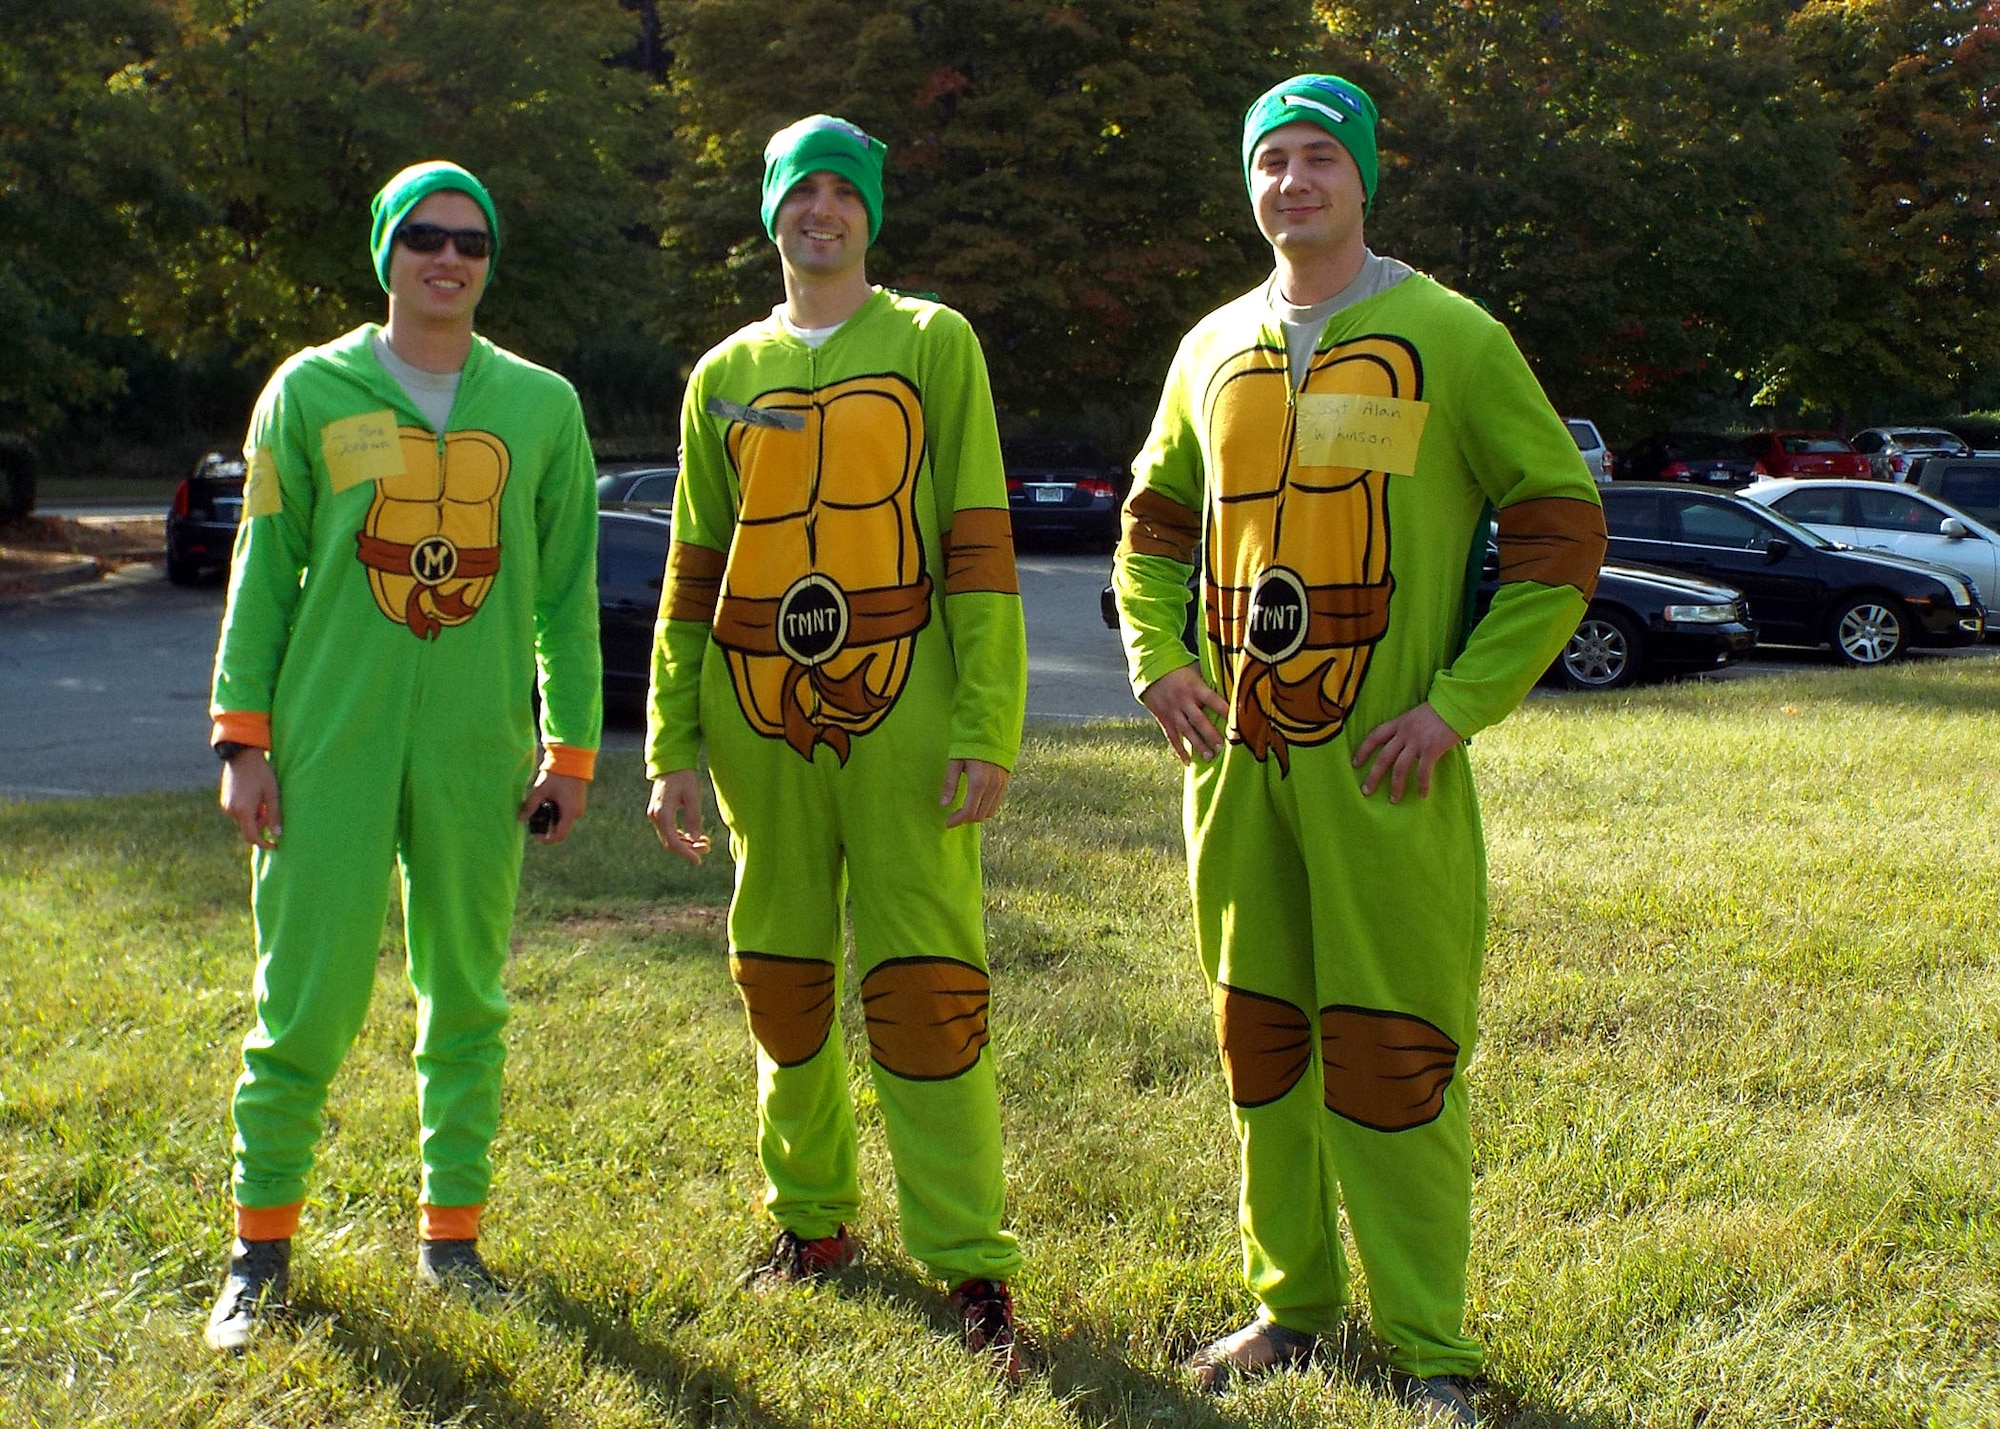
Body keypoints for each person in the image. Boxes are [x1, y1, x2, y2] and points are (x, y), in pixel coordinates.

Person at [1112, 75, 1606, 1426]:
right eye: (1270, 161)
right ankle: (1292, 1305)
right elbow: (1153, 522)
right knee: (1264, 1043)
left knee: (1393, 1054)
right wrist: (1157, 659)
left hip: (1385, 769)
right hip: (1240, 774)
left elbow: (1560, 527)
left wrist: (1459, 701)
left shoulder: (1449, 334)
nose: (1292, 184)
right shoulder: (1212, 344)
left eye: (1318, 159)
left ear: (1365, 178)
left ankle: (1432, 1348)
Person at [645, 115, 1029, 1381]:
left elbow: (974, 536)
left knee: (926, 976)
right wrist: (671, 736)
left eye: (843, 193)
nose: (821, 212)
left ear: (871, 214)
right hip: (757, 713)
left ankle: (969, 1257)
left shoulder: (931, 342)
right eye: (798, 193)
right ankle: (809, 1223)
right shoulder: (724, 373)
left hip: (905, 709)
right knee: (783, 972)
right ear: (770, 214)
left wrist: (985, 721)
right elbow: (693, 566)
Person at [202, 160, 602, 1352]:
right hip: (326, 737)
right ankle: (258, 1251)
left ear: (488, 262)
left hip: (480, 746)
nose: (448, 258)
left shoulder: (540, 407)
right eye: (423, 237)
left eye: (470, 243)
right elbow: (263, 567)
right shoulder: (308, 393)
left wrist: (570, 747)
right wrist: (242, 737)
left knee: (467, 989)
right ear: (386, 251)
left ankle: (452, 1239)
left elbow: (568, 596)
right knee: (304, 998)